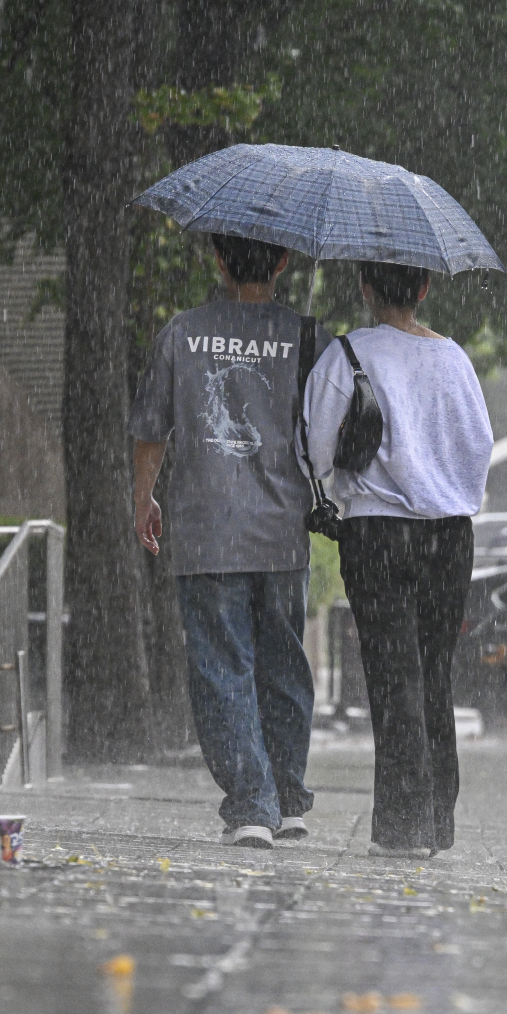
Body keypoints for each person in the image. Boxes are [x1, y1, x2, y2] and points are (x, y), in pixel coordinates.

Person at [128, 233, 331, 850]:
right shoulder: (308, 337)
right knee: (283, 663)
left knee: (222, 667)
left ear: (217, 260)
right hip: (281, 529)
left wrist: (144, 497)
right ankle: (289, 798)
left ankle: (250, 805)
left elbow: (150, 428)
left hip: (207, 525)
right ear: (284, 261)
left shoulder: (182, 333)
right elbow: (324, 434)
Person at [301, 260, 493, 857]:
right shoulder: (455, 359)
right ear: (426, 288)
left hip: (378, 533)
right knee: (435, 672)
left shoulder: (347, 355)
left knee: (393, 676)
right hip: (450, 535)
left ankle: (403, 826)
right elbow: (478, 445)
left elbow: (314, 448)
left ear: (364, 287)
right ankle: (437, 821)